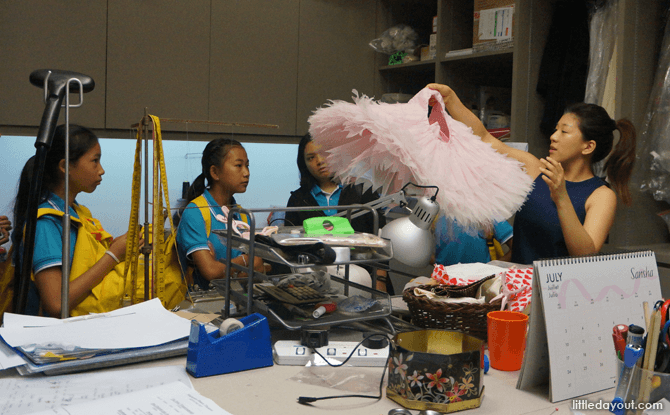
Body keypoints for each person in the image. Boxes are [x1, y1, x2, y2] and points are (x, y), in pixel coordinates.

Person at [428, 83, 636, 265]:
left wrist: (561, 196)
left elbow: (584, 255)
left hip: (557, 296)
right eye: (555, 130)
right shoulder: (535, 169)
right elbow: (484, 138)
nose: (553, 137)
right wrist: (450, 99)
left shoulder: (601, 195)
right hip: (515, 288)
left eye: (564, 131)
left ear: (588, 146)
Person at [11, 125, 132, 317]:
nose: (101, 170)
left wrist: (117, 246)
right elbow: (56, 303)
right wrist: (113, 255)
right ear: (65, 166)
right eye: (95, 161)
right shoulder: (47, 223)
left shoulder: (78, 212)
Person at [286, 133, 389, 291]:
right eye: (310, 157)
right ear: (304, 164)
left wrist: (380, 279)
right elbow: (291, 248)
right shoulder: (298, 200)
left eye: (324, 154)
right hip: (317, 283)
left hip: (365, 278)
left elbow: (381, 239)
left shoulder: (363, 191)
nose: (319, 161)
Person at [175, 138, 265, 291]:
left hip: (237, 297)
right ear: (215, 172)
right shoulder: (196, 212)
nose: (246, 173)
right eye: (238, 166)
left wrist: (227, 267)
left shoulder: (242, 215)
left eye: (247, 165)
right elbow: (210, 272)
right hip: (202, 302)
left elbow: (259, 267)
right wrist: (245, 260)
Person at [433, 216, 513, 266]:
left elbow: (517, 246)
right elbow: (421, 250)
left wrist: (491, 269)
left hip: (480, 282)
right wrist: (440, 268)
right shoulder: (435, 214)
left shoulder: (488, 214)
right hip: (444, 283)